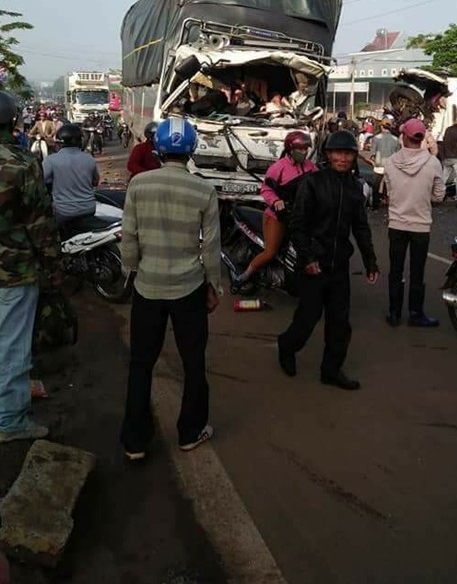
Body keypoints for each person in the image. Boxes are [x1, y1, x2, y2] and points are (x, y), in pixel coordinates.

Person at [120, 116, 222, 461]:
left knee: (141, 363)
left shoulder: (138, 185)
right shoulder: (204, 190)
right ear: (191, 149)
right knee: (193, 362)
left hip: (148, 287)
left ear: (158, 148)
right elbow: (210, 247)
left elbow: (129, 238)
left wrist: (132, 271)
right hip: (188, 288)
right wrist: (214, 286)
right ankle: (190, 433)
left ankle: (135, 442)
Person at [277, 130, 379, 390]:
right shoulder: (313, 183)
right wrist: (308, 258)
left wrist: (370, 261)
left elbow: (361, 228)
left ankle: (331, 370)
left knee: (340, 323)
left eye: (348, 154)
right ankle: (287, 345)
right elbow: (298, 224)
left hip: (339, 266)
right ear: (328, 155)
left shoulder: (355, 189)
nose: (342, 159)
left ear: (354, 157)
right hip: (313, 265)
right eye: (337, 153)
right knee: (308, 318)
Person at [0, 90, 61, 443]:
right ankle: (10, 422)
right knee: (11, 347)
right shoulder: (21, 163)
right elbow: (40, 224)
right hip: (14, 272)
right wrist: (53, 267)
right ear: (12, 121)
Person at [232, 131, 317, 288]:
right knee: (270, 252)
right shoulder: (279, 167)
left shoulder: (310, 167)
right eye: (300, 149)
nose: (304, 152)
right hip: (278, 216)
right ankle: (244, 275)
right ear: (290, 149)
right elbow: (266, 189)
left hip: (300, 216)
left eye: (306, 149)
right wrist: (276, 201)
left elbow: (320, 185)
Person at [383, 118, 445, 328]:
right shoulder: (433, 163)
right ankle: (416, 313)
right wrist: (423, 196)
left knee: (396, 270)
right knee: (417, 272)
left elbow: (389, 193)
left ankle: (394, 313)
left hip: (396, 225)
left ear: (404, 136)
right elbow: (439, 196)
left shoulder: (390, 163)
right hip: (421, 226)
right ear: (421, 139)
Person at [43, 124, 99, 232]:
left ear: (58, 143)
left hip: (63, 212)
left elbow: (41, 182)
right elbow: (95, 182)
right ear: (80, 141)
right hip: (89, 209)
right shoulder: (89, 159)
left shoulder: (50, 161)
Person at [369, 120, 399, 210]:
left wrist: (373, 161)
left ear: (382, 127)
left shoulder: (376, 138)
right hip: (391, 165)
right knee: (389, 186)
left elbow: (373, 153)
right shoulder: (396, 139)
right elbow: (398, 154)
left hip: (379, 165)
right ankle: (387, 202)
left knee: (376, 186)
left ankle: (375, 205)